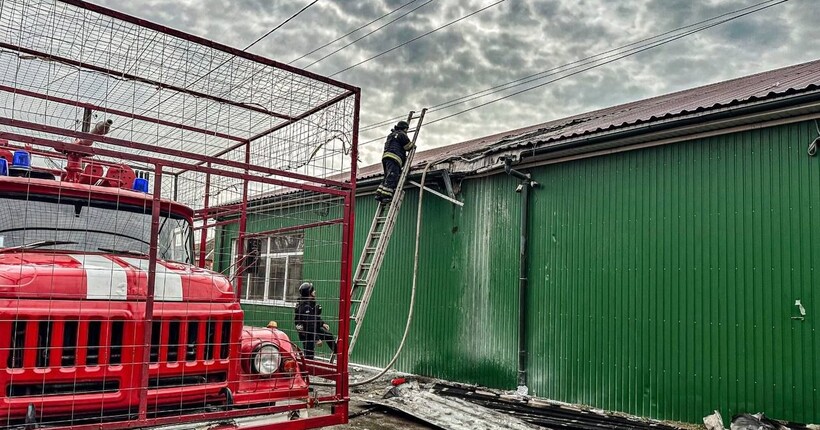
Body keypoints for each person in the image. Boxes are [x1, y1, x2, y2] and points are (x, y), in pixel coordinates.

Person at [293, 282, 337, 360]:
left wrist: (322, 324)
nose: (315, 292)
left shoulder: (309, 303)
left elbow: (314, 318)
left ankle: (338, 352)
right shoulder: (305, 307)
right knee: (309, 354)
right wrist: (317, 339)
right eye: (313, 291)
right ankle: (307, 369)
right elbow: (310, 324)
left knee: (329, 336)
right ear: (309, 293)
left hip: (312, 330)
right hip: (307, 333)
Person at [374, 120, 414, 204]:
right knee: (392, 176)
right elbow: (408, 147)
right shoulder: (402, 135)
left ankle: (379, 194)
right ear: (404, 128)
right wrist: (413, 145)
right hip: (395, 158)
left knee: (387, 176)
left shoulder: (391, 135)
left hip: (386, 157)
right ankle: (386, 196)